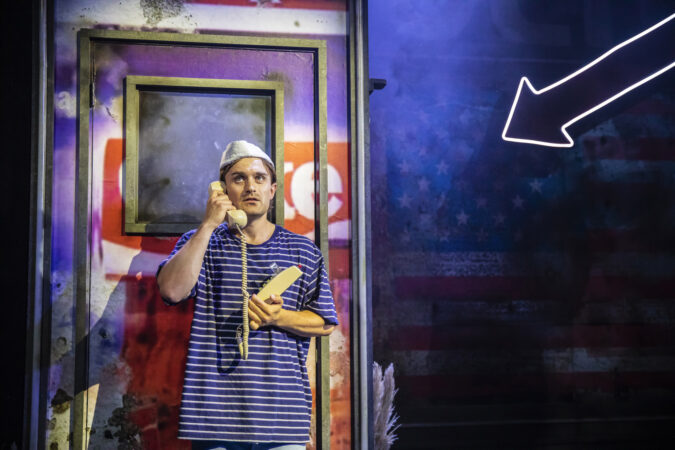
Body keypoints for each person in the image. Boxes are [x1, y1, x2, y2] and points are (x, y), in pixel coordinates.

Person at [156, 140, 338, 449]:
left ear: (272, 189)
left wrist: (279, 317)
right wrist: (208, 225)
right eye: (239, 178)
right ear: (222, 189)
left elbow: (325, 322)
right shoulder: (200, 243)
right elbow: (171, 290)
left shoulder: (303, 250)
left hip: (282, 418)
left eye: (259, 178)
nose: (250, 186)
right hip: (215, 419)